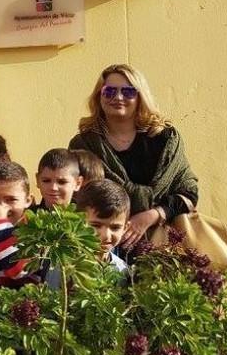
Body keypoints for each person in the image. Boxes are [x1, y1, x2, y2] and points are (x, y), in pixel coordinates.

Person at [68, 64, 199, 250]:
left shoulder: (165, 139)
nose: (118, 97)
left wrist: (150, 216)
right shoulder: (84, 144)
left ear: (140, 97)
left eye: (128, 92)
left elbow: (189, 192)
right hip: (101, 247)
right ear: (99, 96)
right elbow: (75, 198)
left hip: (162, 248)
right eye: (110, 91)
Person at [46, 179, 130, 289]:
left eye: (115, 227)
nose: (106, 235)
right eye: (96, 225)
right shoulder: (64, 266)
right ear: (79, 222)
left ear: (125, 228)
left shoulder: (122, 269)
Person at [0, 161, 41, 288]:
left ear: (28, 201)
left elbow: (17, 270)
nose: (2, 207)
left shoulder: (37, 237)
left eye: (11, 200)